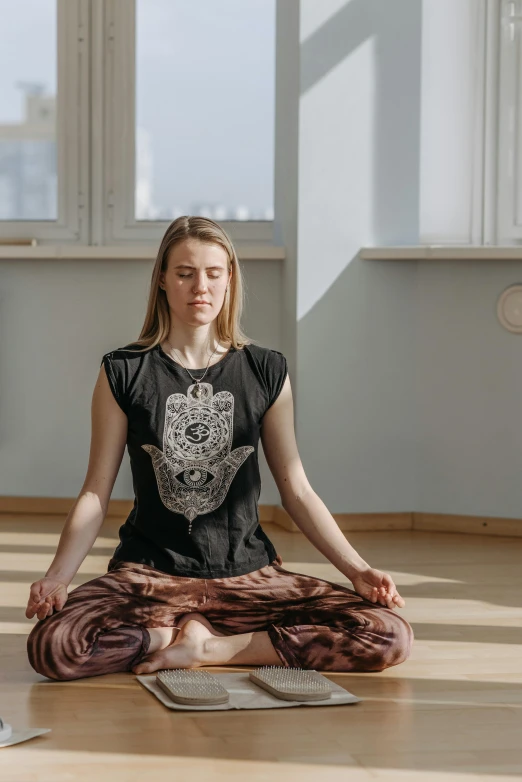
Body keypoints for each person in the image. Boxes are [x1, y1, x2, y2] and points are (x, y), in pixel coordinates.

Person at [25, 216, 413, 681]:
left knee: (387, 633)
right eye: (185, 272)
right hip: (151, 576)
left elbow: (297, 490)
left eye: (213, 272)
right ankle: (168, 637)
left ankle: (213, 647)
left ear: (229, 280)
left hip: (250, 578)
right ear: (163, 280)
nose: (200, 286)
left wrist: (358, 570)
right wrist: (58, 578)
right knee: (53, 646)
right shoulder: (123, 371)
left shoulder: (266, 370)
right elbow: (95, 492)